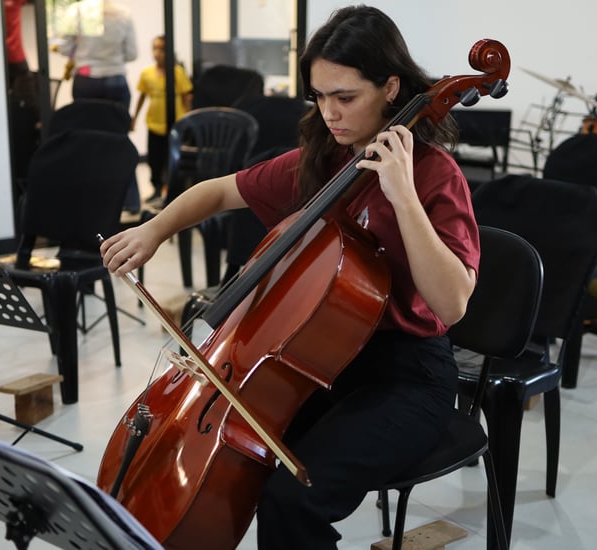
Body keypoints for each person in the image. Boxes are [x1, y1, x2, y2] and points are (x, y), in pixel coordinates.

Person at [101, 5, 479, 549]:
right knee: (245, 461)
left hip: (407, 376)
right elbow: (219, 191)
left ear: (392, 87)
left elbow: (453, 303)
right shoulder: (326, 160)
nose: (330, 113)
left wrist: (403, 196)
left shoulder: (434, 175)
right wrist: (153, 229)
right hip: (323, 361)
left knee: (292, 498)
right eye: (319, 97)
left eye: (345, 97)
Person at [131, 35, 194, 204]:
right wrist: (134, 117)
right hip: (154, 124)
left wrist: (190, 120)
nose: (158, 53)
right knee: (154, 159)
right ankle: (156, 189)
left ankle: (170, 191)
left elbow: (186, 96)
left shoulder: (177, 72)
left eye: (162, 49)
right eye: (155, 48)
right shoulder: (147, 73)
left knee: (171, 160)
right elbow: (142, 96)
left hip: (175, 125)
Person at [55, 0, 138, 109]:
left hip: (86, 77)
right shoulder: (124, 13)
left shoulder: (76, 10)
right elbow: (132, 54)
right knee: (117, 119)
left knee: (86, 119)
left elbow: (64, 48)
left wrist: (81, 52)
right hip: (116, 77)